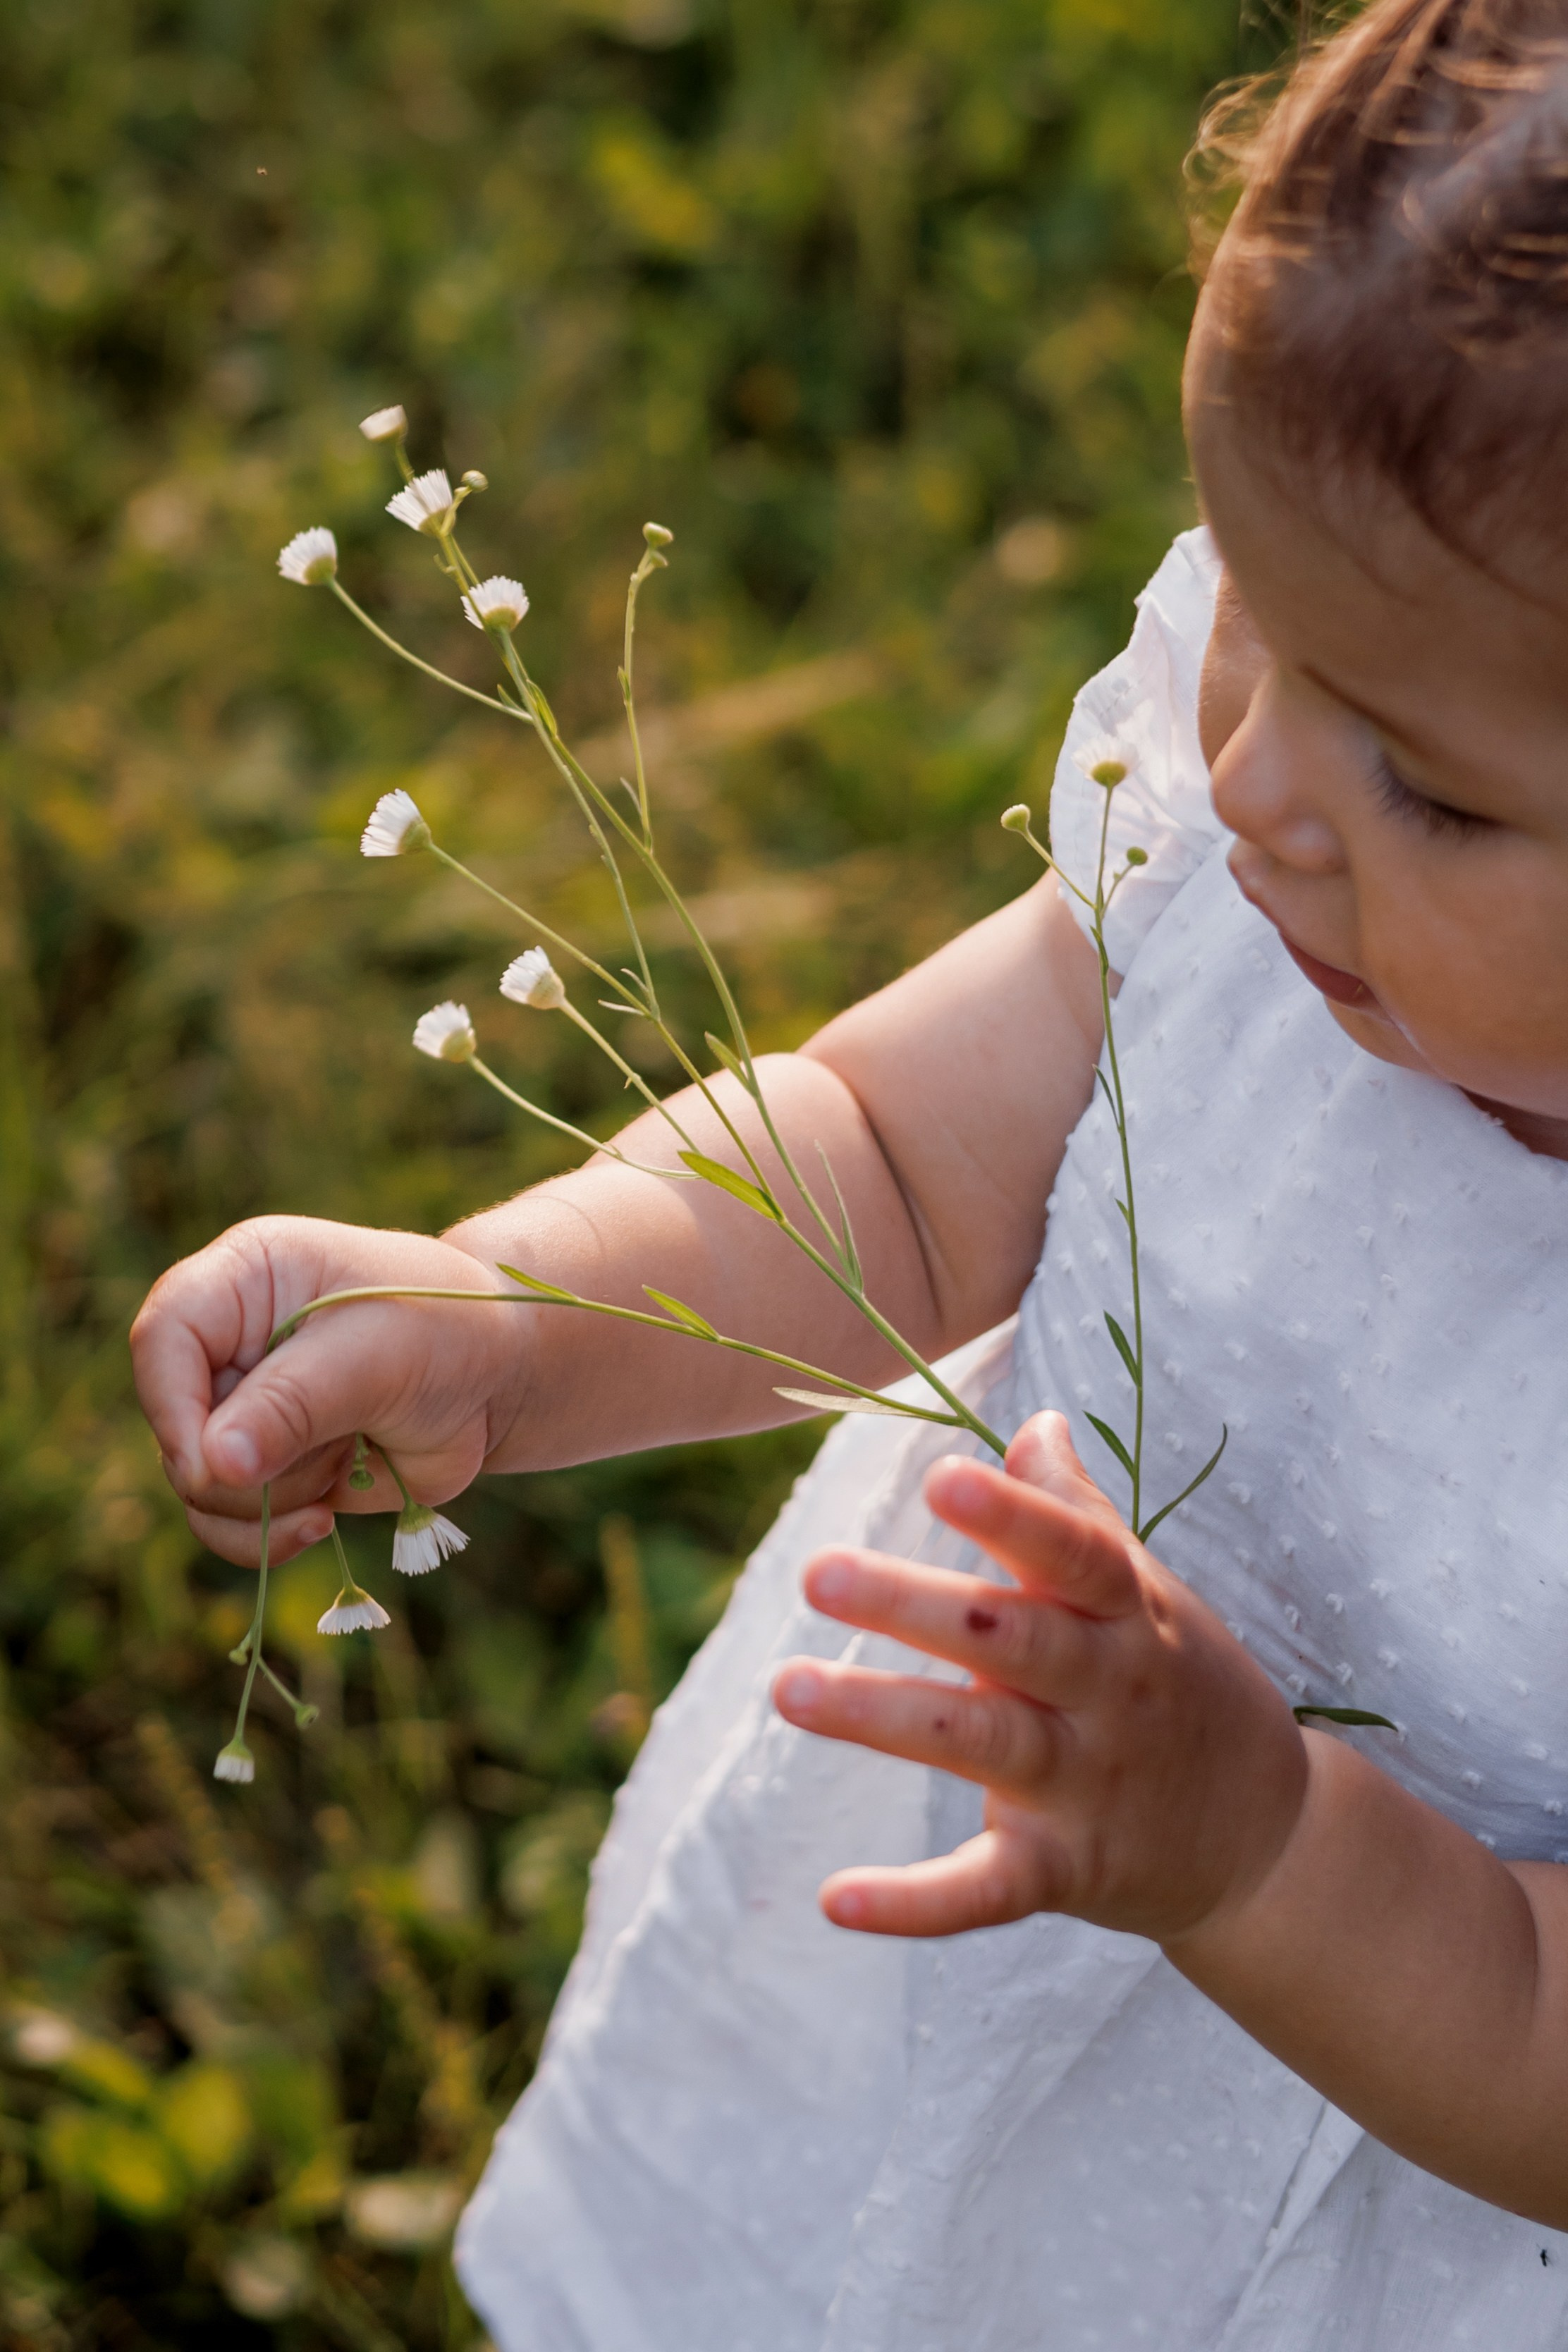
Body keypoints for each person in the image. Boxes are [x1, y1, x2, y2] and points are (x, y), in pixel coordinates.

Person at [132, 1, 1568, 2341]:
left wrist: (1261, 1840)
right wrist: (506, 1308)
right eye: (1250, 628)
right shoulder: (1264, 836)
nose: (1258, 790)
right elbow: (894, 1161)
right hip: (942, 1993)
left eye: (1429, 786)